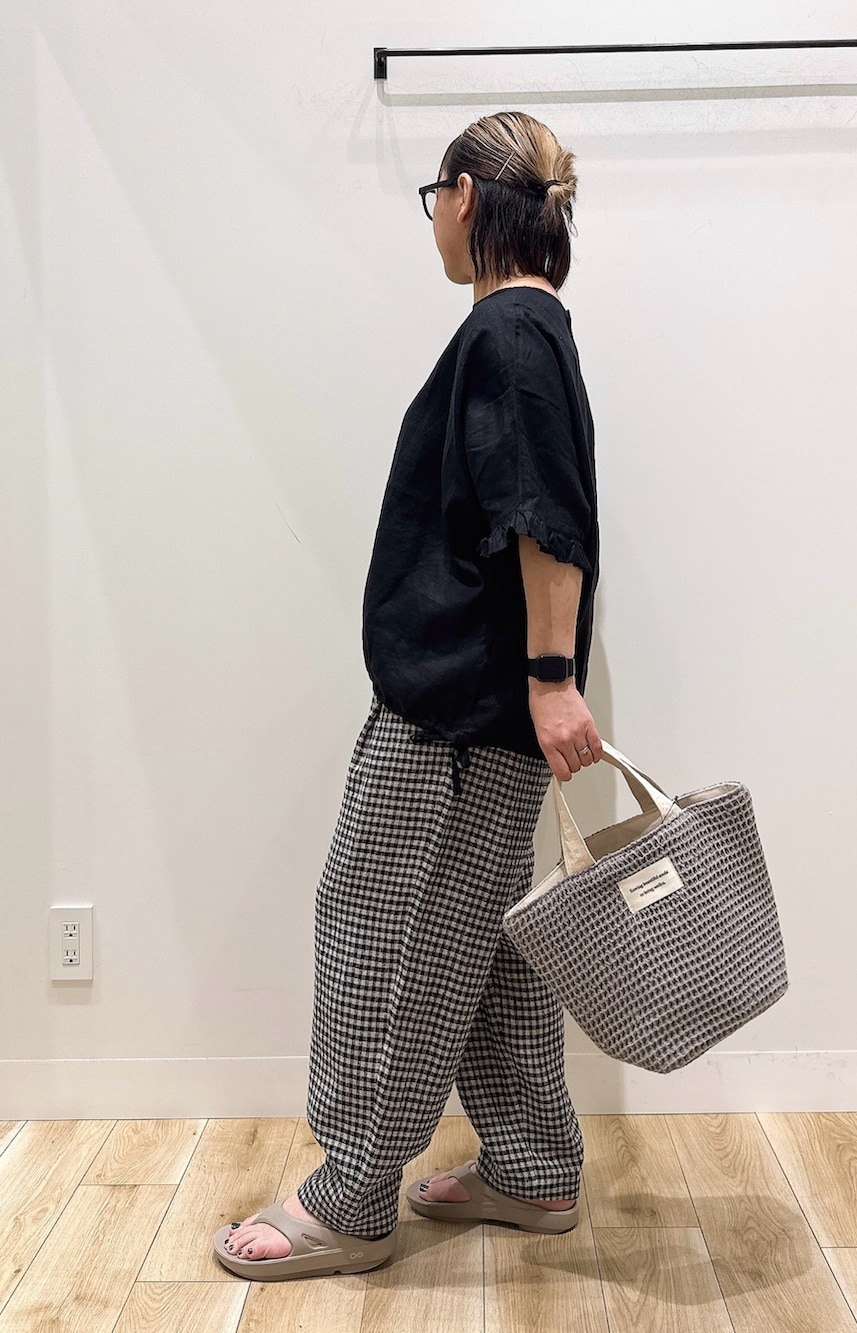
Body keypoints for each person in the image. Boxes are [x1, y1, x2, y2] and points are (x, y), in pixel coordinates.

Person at [215, 110, 602, 1280]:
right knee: (481, 944)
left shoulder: (510, 333)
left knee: (386, 928)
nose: (432, 219)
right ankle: (533, 1166)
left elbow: (547, 524)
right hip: (476, 710)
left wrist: (549, 682)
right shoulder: (528, 330)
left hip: (457, 715)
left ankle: (351, 1198)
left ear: (466, 199)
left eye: (434, 197)